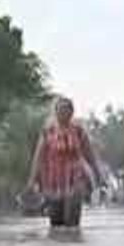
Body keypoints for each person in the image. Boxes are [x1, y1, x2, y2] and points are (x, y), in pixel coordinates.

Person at [26, 96, 102, 228]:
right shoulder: (48, 131)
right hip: (53, 181)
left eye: (67, 110)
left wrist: (98, 174)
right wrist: (32, 181)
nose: (64, 113)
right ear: (55, 112)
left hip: (75, 178)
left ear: (72, 112)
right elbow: (38, 157)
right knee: (56, 222)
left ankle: (74, 245)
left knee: (71, 221)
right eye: (61, 109)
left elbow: (90, 155)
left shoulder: (79, 130)